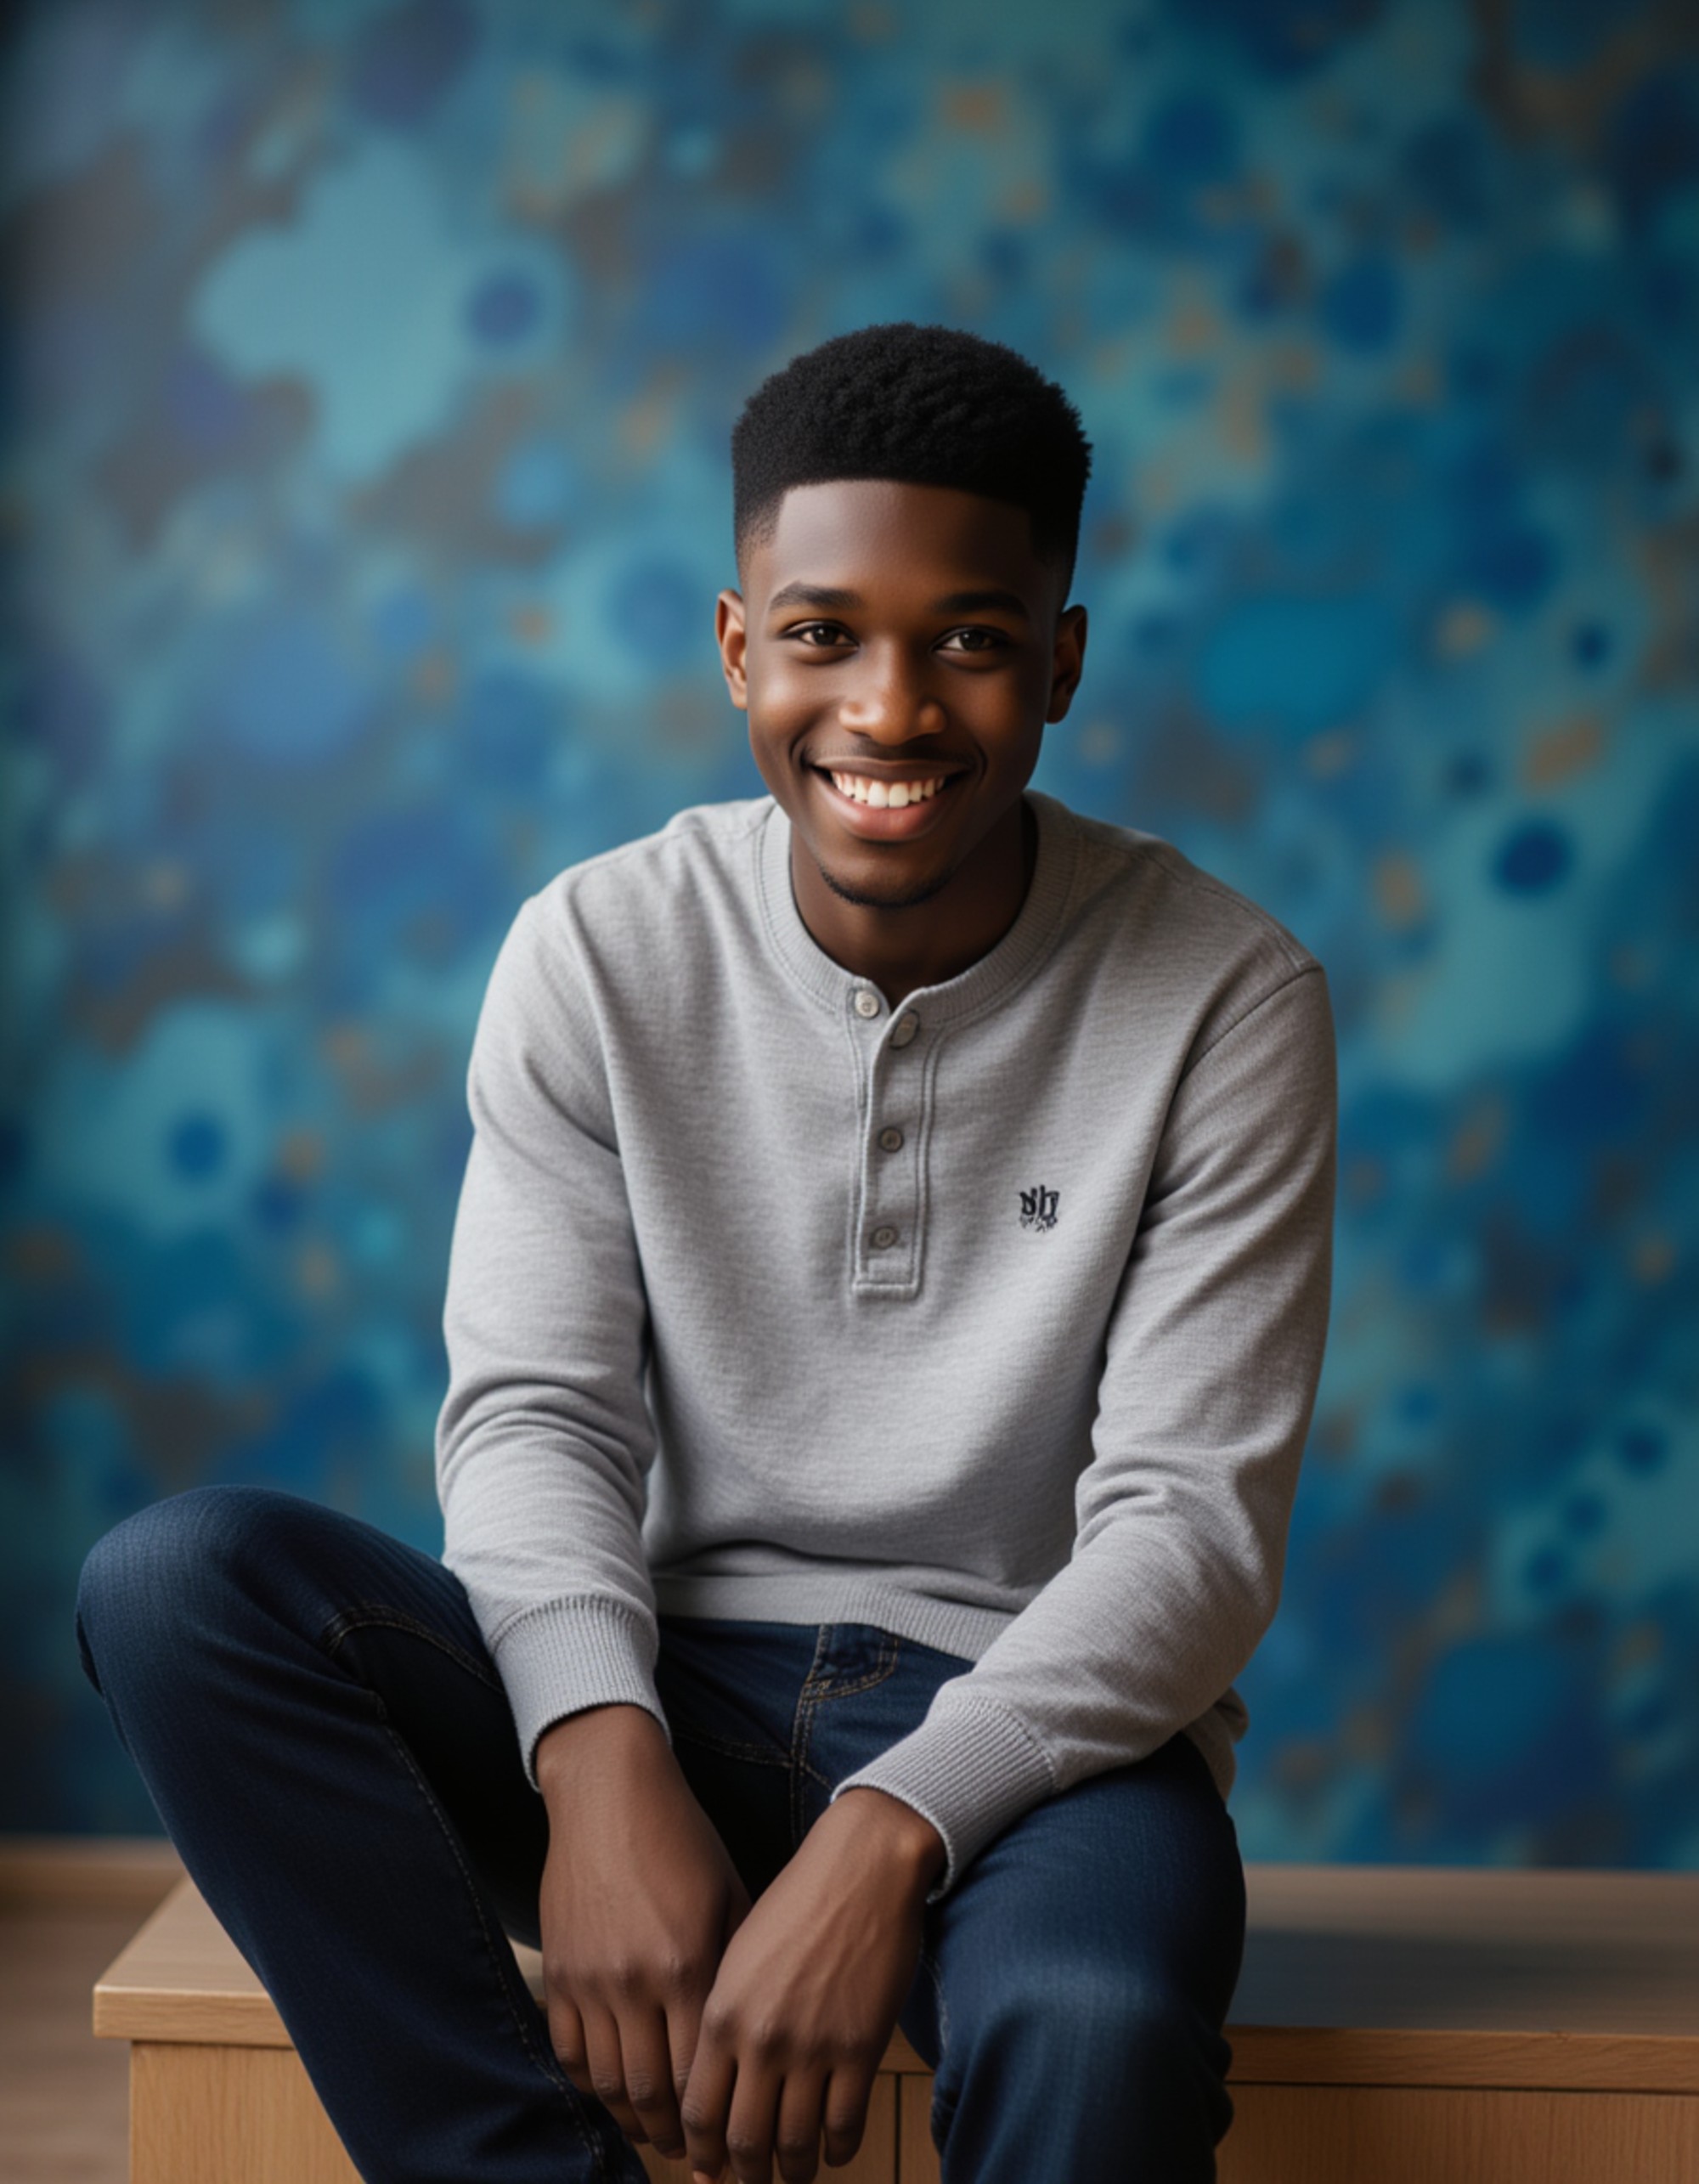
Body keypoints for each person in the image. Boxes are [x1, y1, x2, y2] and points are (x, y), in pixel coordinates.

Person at [76, 322, 1336, 2184]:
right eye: (824, 633)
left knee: (1094, 2023)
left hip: (1037, 1740)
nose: (889, 708)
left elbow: (1190, 1531)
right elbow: (538, 1415)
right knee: (182, 1586)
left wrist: (889, 1832)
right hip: (662, 1685)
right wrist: (598, 1766)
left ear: (1061, 661)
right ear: (740, 647)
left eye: (969, 638)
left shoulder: (1229, 997)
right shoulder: (597, 949)